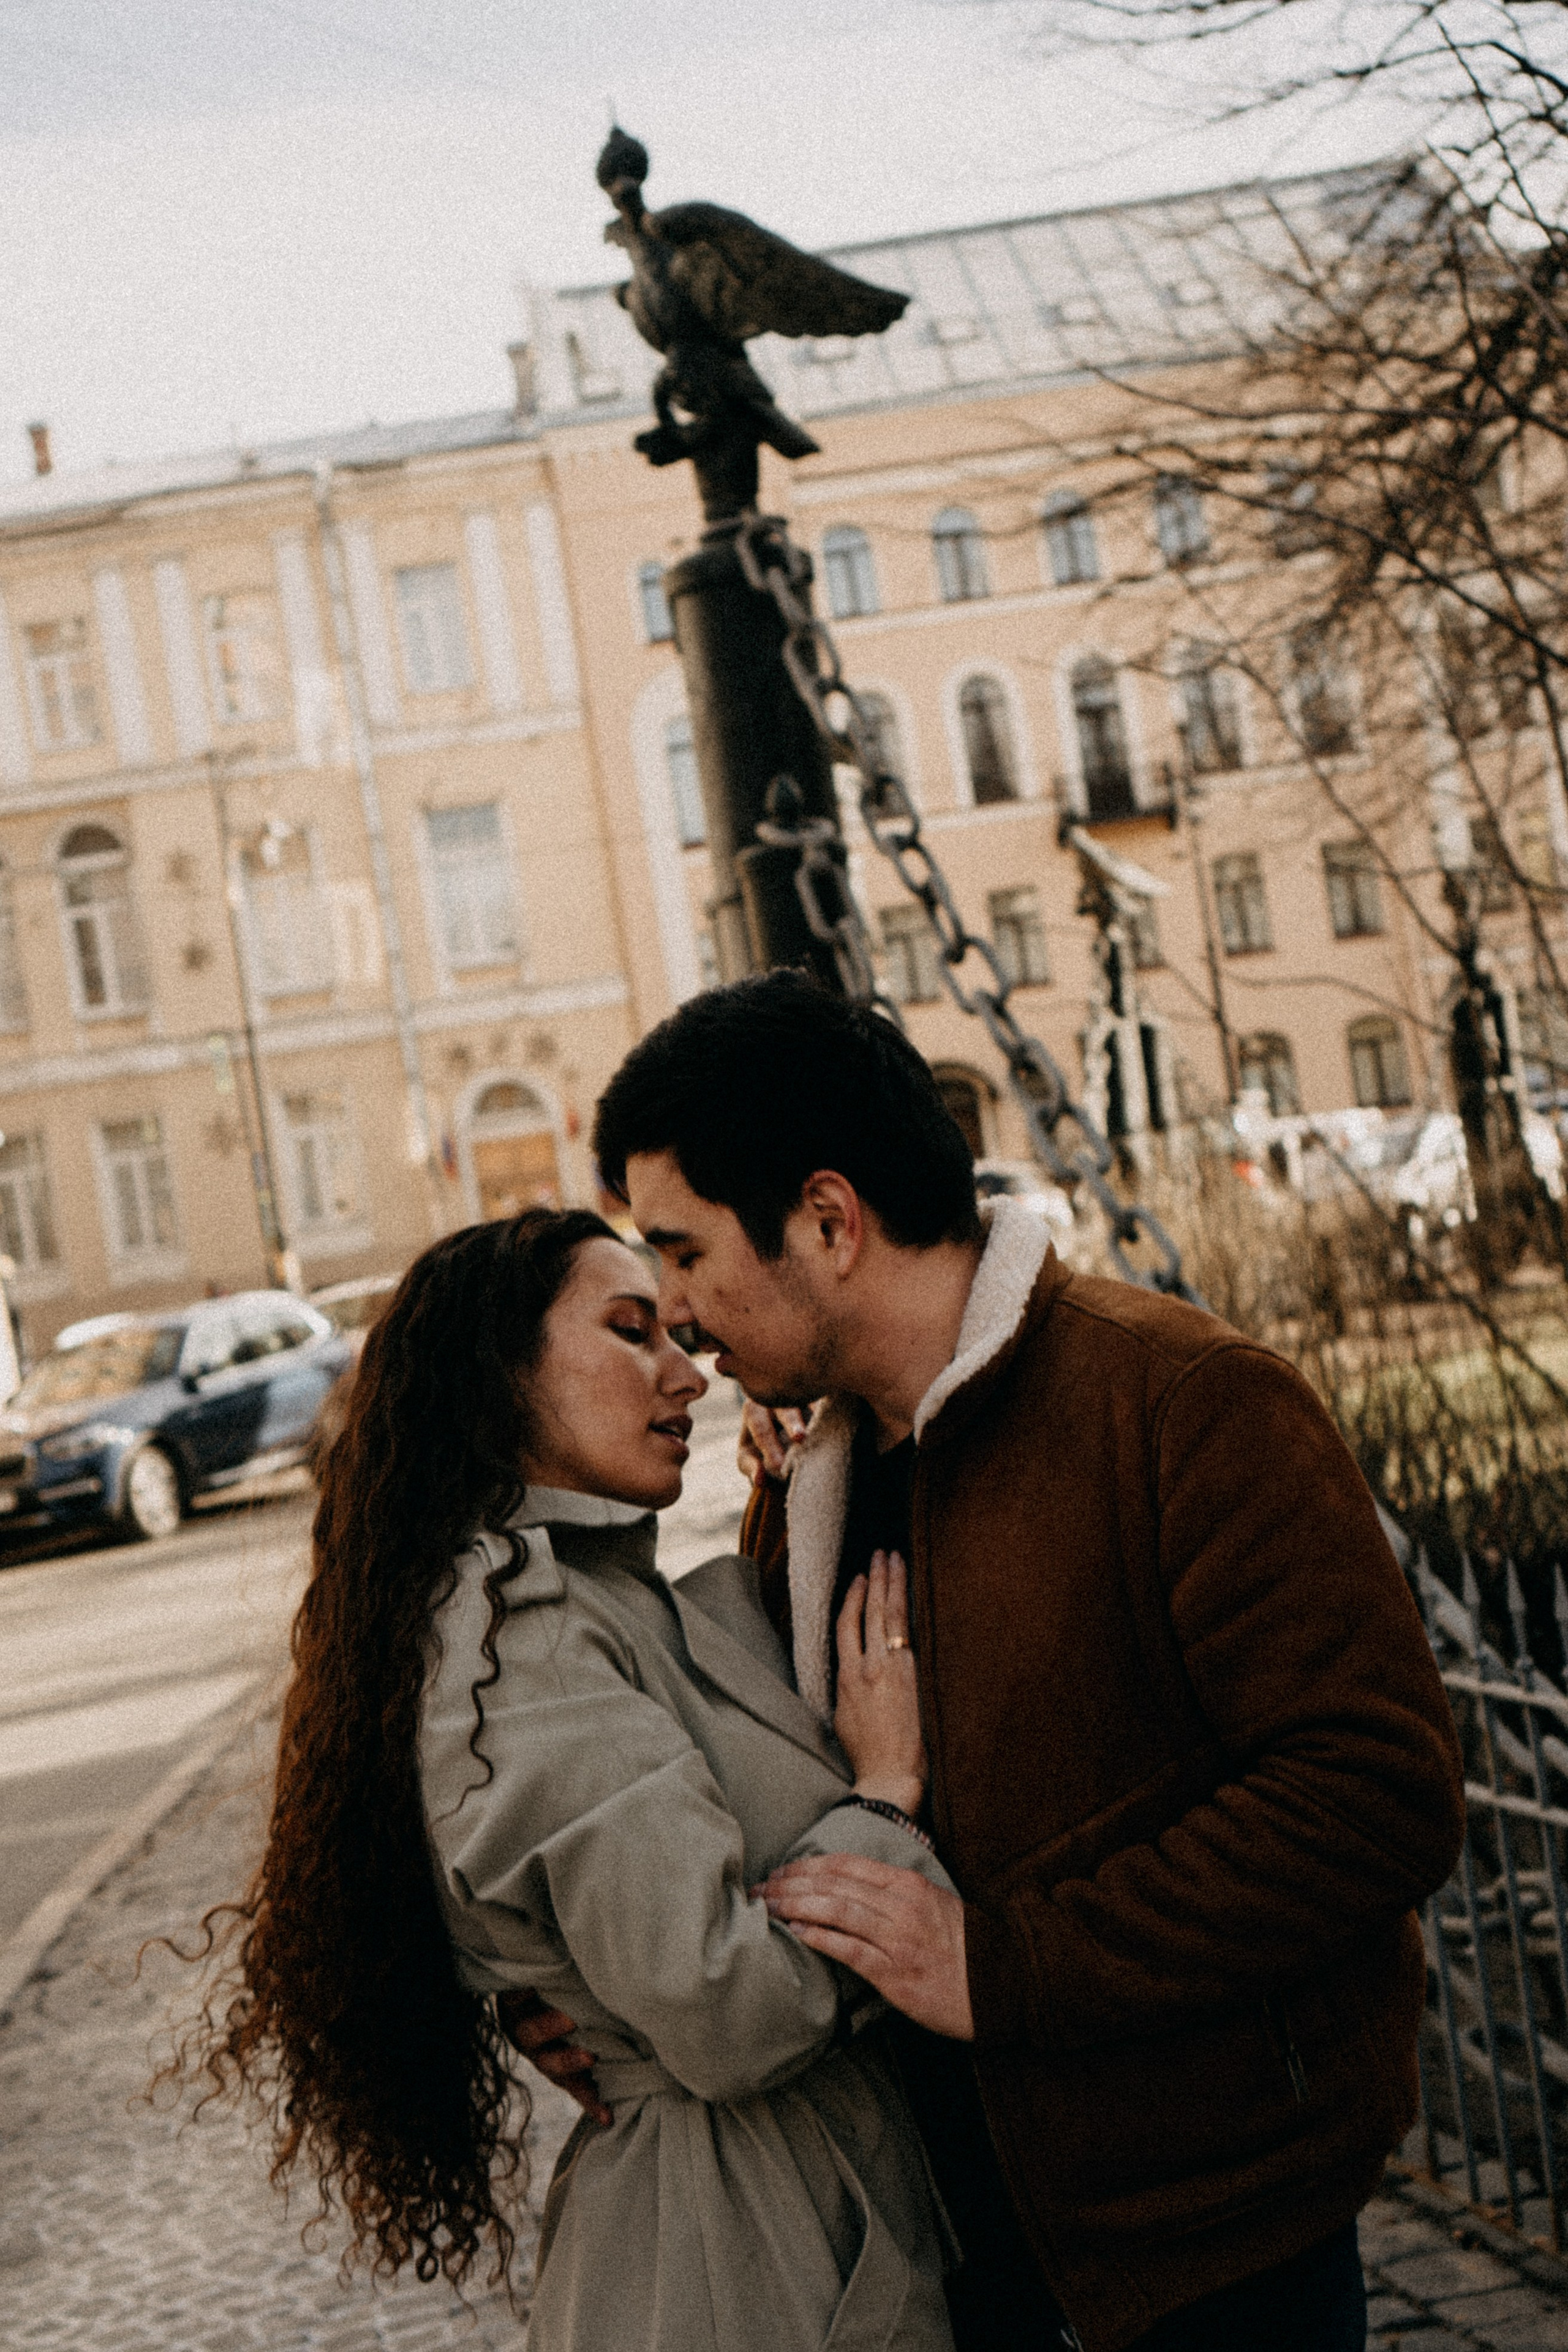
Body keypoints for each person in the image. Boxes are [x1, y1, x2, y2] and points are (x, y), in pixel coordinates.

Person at [548, 967, 1466, 2352]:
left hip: (1209, 2251)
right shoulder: (811, 1485)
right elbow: (804, 1816)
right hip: (951, 2253)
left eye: (683, 1251)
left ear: (826, 1219)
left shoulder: (1179, 1404)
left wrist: (1009, 1964)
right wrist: (581, 1989)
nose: (676, 1309)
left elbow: (1373, 1795)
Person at [172, 1208, 960, 2352]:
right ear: (500, 1375)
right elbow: (729, 2006)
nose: (688, 1376)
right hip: (743, 2257)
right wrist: (885, 1793)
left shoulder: (586, 1595)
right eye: (632, 1330)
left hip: (777, 2215)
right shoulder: (519, 1632)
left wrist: (796, 1503)